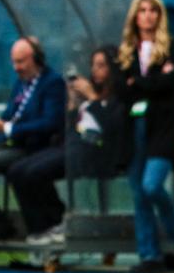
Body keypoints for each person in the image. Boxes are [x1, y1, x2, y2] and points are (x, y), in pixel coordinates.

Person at [7, 47, 125, 245]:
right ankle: (38, 227)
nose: (95, 70)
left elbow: (111, 128)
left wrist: (92, 98)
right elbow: (70, 127)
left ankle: (55, 219)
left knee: (35, 173)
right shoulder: (89, 95)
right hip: (72, 145)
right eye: (93, 65)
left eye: (101, 66)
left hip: (94, 151)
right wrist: (72, 105)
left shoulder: (117, 99)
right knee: (17, 170)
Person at [119, 0, 174, 273]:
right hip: (134, 126)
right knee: (139, 193)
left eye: (153, 10)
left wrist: (138, 82)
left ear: (160, 15)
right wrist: (151, 82)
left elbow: (167, 84)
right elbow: (124, 90)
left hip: (163, 127)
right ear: (135, 16)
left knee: (151, 184)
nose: (148, 16)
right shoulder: (126, 50)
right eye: (142, 10)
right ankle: (149, 254)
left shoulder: (173, 46)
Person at [0, 38, 67, 241]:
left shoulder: (52, 83)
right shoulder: (21, 83)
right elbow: (10, 114)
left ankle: (9, 224)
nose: (16, 67)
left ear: (36, 59)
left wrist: (9, 128)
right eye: (14, 62)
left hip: (34, 147)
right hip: (11, 144)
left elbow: (50, 123)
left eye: (21, 61)